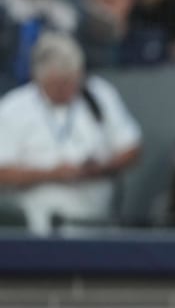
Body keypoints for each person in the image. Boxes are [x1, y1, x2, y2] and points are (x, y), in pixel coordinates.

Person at [0, 33, 142, 235]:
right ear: (37, 77)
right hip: (36, 229)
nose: (67, 89)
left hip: (96, 223)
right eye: (58, 84)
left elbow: (132, 148)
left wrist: (99, 168)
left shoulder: (98, 93)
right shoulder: (13, 107)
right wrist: (53, 174)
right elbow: (2, 172)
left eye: (71, 81)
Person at [77, 0, 168, 69]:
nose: (105, 10)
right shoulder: (81, 46)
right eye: (99, 2)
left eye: (111, 0)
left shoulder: (151, 37)